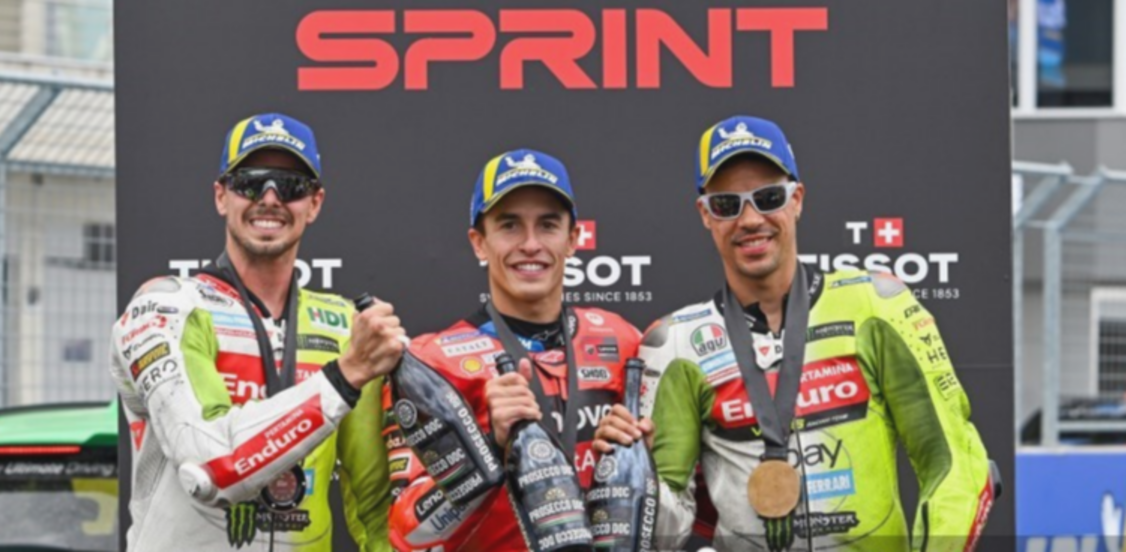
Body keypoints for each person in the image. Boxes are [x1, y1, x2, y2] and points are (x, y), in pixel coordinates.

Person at [592, 115, 997, 551]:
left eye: (768, 198)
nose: (750, 219)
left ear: (797, 199)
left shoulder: (876, 305)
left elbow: (954, 462)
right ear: (706, 215)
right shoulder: (674, 343)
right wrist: (635, 476)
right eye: (727, 205)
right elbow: (663, 535)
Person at [110, 113, 401, 551]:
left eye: (290, 186)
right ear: (221, 196)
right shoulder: (166, 307)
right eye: (250, 183)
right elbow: (208, 464)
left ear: (314, 204)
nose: (269, 198)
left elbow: (374, 506)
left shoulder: (344, 327)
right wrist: (343, 377)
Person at [384, 149, 642, 551]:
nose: (531, 244)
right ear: (479, 243)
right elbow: (407, 533)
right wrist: (489, 445)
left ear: (573, 239)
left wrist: (639, 454)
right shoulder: (431, 363)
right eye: (509, 226)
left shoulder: (622, 340)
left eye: (548, 225)